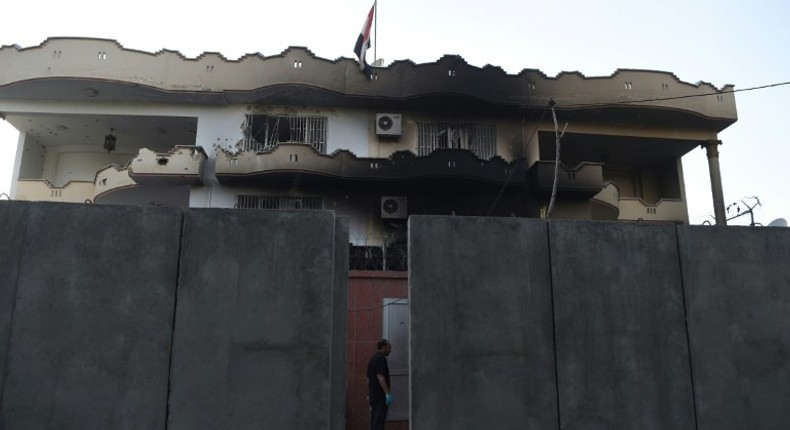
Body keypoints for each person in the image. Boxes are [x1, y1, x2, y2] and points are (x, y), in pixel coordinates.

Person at [366, 339, 392, 430]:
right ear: (384, 347)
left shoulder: (372, 359)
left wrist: (369, 394)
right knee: (378, 424)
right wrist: (387, 394)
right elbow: (380, 376)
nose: (390, 350)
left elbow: (368, 379)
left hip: (373, 396)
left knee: (375, 422)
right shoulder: (381, 358)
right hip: (380, 397)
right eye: (389, 347)